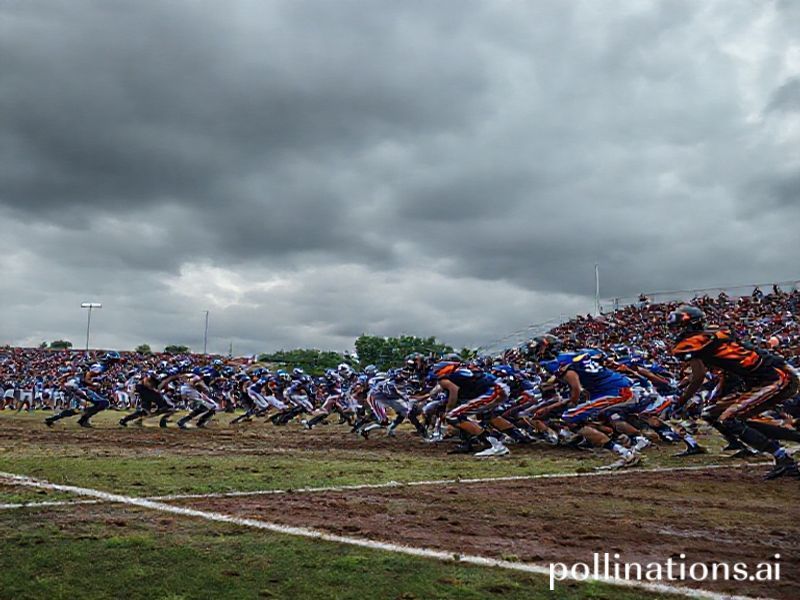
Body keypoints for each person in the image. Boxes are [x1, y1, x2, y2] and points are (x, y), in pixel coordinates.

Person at [668, 305, 800, 480]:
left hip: (774, 376)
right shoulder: (715, 334)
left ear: (690, 325)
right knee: (716, 414)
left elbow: (698, 376)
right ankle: (780, 453)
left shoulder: (695, 342)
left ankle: (783, 457)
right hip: (765, 376)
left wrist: (683, 399)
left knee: (730, 418)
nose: (676, 331)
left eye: (679, 327)